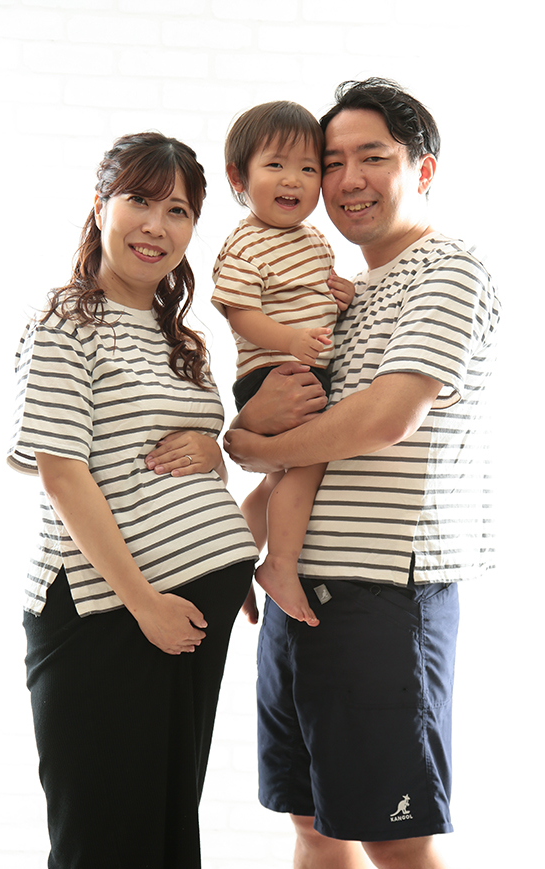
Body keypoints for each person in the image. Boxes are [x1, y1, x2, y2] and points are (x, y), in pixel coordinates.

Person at [225, 78, 500, 869]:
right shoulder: (348, 293)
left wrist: (250, 447)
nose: (345, 179)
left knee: (399, 841)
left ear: (422, 168)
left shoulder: (448, 269)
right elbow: (302, 432)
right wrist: (251, 466)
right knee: (312, 820)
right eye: (331, 160)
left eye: (370, 157)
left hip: (385, 593)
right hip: (296, 592)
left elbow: (385, 418)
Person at [7, 132, 257, 869]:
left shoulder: (178, 335)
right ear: (100, 205)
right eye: (139, 201)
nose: (156, 225)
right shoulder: (63, 321)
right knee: (99, 858)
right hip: (103, 615)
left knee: (159, 845)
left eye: (177, 210)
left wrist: (215, 461)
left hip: (183, 620)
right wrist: (144, 598)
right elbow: (63, 473)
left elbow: (169, 459)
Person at [211, 100, 354, 626]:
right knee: (311, 461)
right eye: (275, 165)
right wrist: (291, 340)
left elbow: (314, 297)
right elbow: (240, 312)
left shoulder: (314, 240)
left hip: (299, 368)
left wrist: (340, 295)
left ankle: (230, 564)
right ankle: (280, 564)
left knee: (276, 481)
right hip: (275, 374)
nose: (293, 179)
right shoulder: (246, 243)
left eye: (309, 168)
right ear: (239, 177)